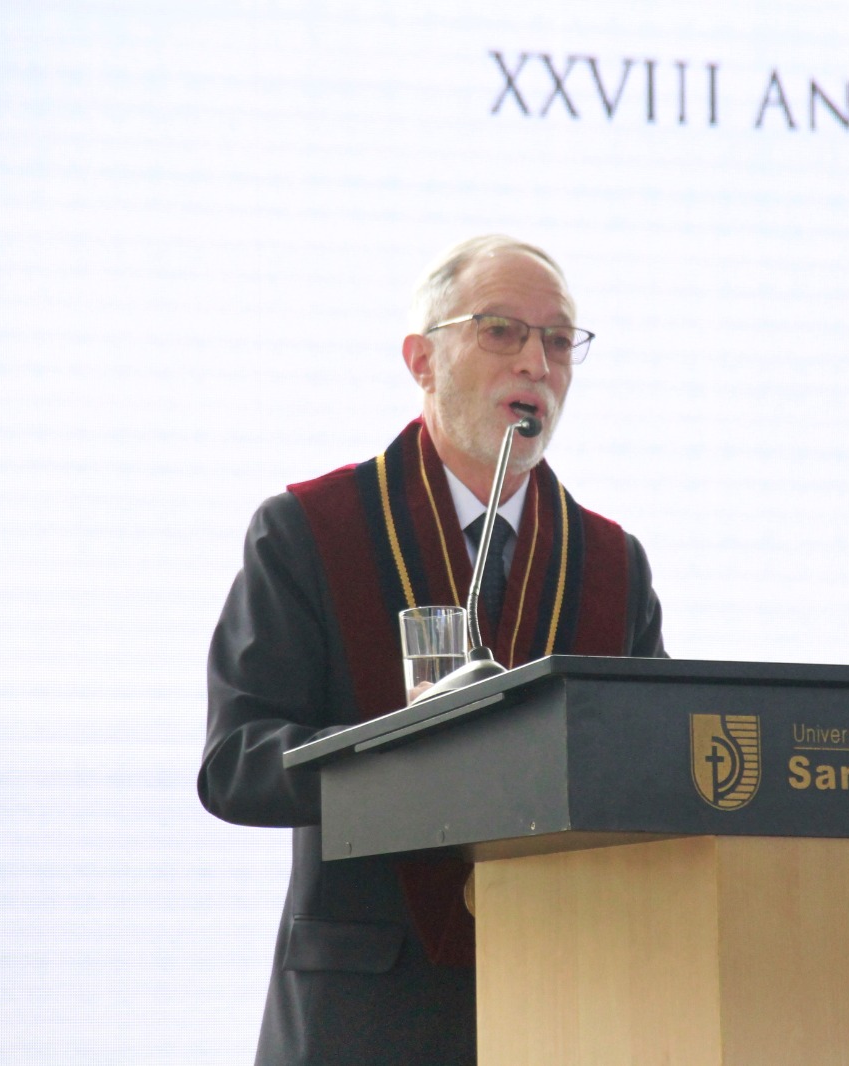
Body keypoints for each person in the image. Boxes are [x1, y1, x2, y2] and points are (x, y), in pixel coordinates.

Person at [198, 235, 666, 1065]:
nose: (535, 363)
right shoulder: (311, 530)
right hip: (362, 1018)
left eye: (559, 341)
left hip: (565, 1005)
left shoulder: (609, 564)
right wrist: (405, 759)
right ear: (422, 360)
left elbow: (653, 770)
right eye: (501, 330)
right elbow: (236, 764)